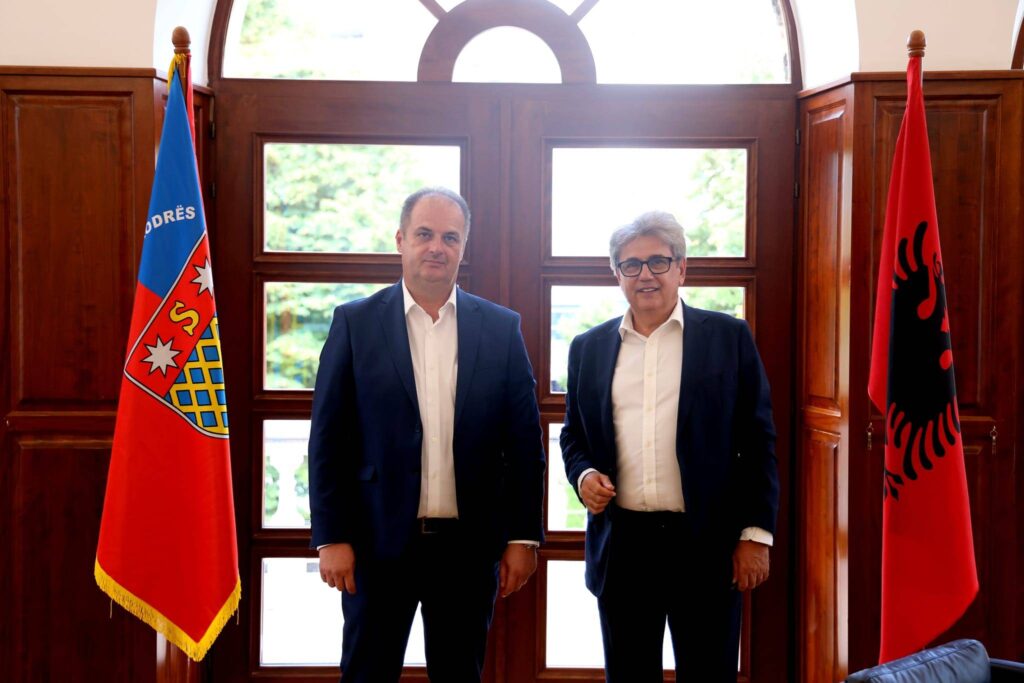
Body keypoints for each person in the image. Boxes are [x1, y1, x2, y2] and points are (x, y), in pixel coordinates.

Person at [308, 187, 545, 683]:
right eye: (424, 234)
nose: (437, 247)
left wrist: (523, 537)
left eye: (450, 237)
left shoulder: (501, 328)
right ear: (401, 240)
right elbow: (328, 439)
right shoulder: (355, 323)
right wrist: (332, 536)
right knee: (366, 675)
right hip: (375, 544)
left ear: (463, 247)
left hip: (467, 550)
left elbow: (525, 443)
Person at [560, 211, 779, 683]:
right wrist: (584, 475)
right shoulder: (588, 348)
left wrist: (755, 534)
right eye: (631, 264)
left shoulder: (728, 338)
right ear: (616, 274)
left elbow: (758, 441)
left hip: (705, 544)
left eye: (658, 262)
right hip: (623, 547)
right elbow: (573, 434)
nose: (646, 275)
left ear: (681, 268)